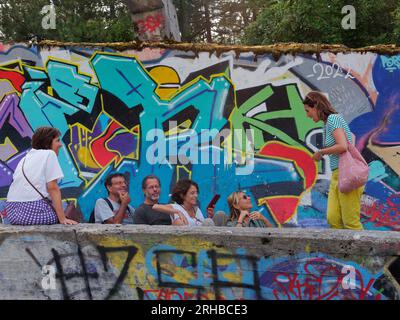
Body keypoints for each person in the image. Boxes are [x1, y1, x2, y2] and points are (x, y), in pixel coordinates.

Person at [303, 91, 363, 230]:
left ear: (316, 106)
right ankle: (345, 252)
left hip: (347, 175)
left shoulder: (333, 119)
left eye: (308, 110)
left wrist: (321, 152)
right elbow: (350, 138)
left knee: (350, 222)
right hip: (337, 175)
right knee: (333, 219)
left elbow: (343, 145)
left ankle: (361, 252)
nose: (307, 115)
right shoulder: (328, 123)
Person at [5, 127, 77, 225]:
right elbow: (53, 188)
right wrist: (63, 219)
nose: (60, 144)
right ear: (47, 142)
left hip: (12, 212)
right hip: (30, 211)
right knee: (63, 211)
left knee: (59, 206)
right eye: (57, 141)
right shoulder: (49, 154)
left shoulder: (26, 157)